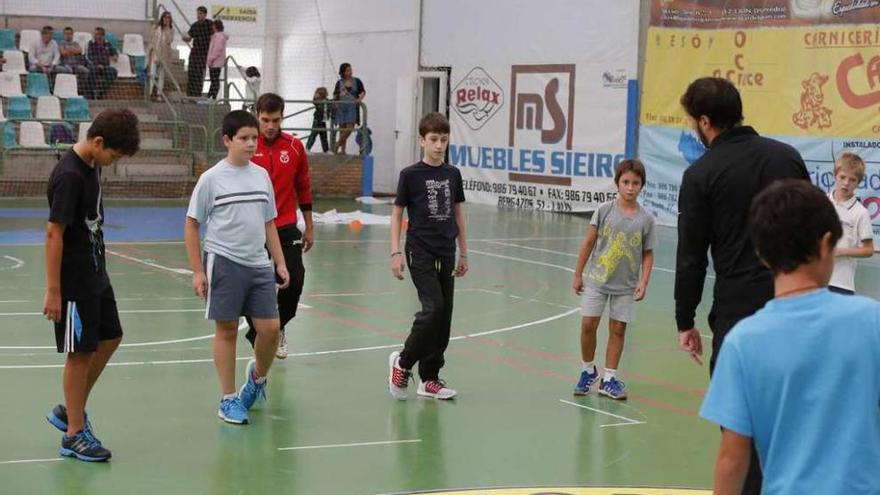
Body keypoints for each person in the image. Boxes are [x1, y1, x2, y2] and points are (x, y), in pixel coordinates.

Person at [701, 179, 880, 495]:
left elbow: (732, 459)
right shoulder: (871, 320)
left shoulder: (743, 342)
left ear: (762, 255)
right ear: (827, 244)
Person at [674, 77, 810, 494]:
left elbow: (691, 256)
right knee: (799, 425)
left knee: (742, 435)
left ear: (704, 121)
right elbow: (813, 226)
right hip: (799, 306)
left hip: (739, 315)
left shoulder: (701, 174)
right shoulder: (786, 157)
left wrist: (686, 319)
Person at [43, 109, 141, 462]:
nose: (112, 163)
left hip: (96, 273)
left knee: (111, 337)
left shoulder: (92, 165)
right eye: (113, 156)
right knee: (80, 353)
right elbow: (54, 233)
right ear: (98, 142)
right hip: (73, 283)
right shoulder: (69, 176)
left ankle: (71, 408)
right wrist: (54, 290)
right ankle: (73, 432)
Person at [184, 110, 290, 425]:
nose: (250, 143)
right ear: (227, 140)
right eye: (244, 138)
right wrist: (198, 270)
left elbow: (269, 222)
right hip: (223, 261)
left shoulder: (261, 176)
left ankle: (257, 379)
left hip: (259, 262)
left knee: (270, 329)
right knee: (227, 329)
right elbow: (192, 225)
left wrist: (280, 262)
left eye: (254, 138)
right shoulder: (211, 179)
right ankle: (228, 398)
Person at [388, 112, 468, 401]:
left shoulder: (452, 174)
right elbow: (397, 214)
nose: (438, 145)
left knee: (444, 318)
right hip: (419, 251)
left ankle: (429, 378)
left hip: (446, 252)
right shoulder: (410, 175)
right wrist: (395, 251)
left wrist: (464, 253)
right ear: (422, 140)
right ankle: (403, 362)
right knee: (432, 309)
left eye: (443, 140)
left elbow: (458, 213)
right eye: (433, 139)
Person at [572, 159, 655, 400]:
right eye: (626, 182)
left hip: (626, 286)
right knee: (588, 324)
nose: (630, 187)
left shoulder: (646, 219)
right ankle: (588, 371)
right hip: (597, 280)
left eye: (635, 183)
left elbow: (648, 254)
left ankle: (609, 379)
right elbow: (588, 243)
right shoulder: (604, 211)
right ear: (617, 183)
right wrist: (578, 274)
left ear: (642, 186)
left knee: (618, 329)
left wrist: (644, 281)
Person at [245, 93, 314, 359]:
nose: (270, 126)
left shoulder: (295, 147)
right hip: (252, 229)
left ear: (282, 116)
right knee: (251, 286)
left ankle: (276, 328)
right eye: (265, 120)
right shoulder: (248, 145)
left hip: (285, 225)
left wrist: (309, 226)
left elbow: (303, 186)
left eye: (275, 120)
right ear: (257, 116)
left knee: (294, 280)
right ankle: (263, 331)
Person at [827, 152, 874, 294]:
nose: (846, 183)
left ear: (858, 182)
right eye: (842, 177)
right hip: (815, 279)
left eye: (852, 180)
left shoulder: (861, 213)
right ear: (835, 175)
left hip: (842, 283)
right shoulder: (820, 203)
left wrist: (841, 251)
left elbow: (868, 250)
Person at [332, 62, 365, 155]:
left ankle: (337, 144)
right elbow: (335, 94)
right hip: (341, 106)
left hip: (352, 106)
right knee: (342, 129)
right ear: (343, 72)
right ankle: (342, 150)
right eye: (348, 70)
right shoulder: (339, 82)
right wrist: (335, 102)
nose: (350, 72)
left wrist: (359, 99)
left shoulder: (357, 81)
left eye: (350, 69)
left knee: (349, 128)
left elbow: (362, 91)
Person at [182, 6, 212, 97]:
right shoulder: (194, 25)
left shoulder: (210, 24)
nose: (198, 15)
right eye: (198, 13)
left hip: (203, 54)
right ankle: (190, 94)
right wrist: (185, 38)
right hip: (194, 52)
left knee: (199, 75)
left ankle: (197, 94)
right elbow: (189, 38)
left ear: (205, 14)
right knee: (191, 74)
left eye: (200, 13)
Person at [86, 27, 118, 100]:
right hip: (94, 66)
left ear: (102, 35)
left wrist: (115, 55)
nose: (97, 36)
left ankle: (102, 91)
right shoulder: (91, 44)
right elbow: (89, 57)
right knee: (91, 72)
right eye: (96, 34)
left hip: (105, 67)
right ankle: (92, 94)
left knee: (113, 72)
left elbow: (114, 52)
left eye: (99, 34)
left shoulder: (107, 44)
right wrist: (97, 64)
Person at [148, 11, 175, 98]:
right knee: (152, 73)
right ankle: (150, 92)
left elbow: (169, 41)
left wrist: (167, 29)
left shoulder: (171, 30)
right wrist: (150, 52)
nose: (166, 19)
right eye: (165, 17)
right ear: (162, 18)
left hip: (164, 55)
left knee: (161, 75)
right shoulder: (156, 28)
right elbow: (152, 41)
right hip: (155, 54)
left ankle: (159, 94)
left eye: (168, 18)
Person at [206, 20, 227, 100]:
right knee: (214, 80)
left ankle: (211, 97)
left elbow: (217, 49)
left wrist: (211, 59)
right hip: (216, 62)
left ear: (215, 26)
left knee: (214, 80)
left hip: (215, 62)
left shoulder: (218, 36)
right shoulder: (219, 36)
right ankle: (211, 96)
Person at [306, 86, 329, 153]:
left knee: (324, 135)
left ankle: (326, 150)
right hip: (317, 120)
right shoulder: (317, 101)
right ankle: (307, 148)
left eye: (323, 92)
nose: (322, 94)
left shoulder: (326, 100)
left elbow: (330, 103)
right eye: (320, 93)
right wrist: (316, 96)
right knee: (313, 134)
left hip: (323, 120)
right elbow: (314, 101)